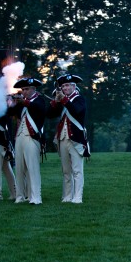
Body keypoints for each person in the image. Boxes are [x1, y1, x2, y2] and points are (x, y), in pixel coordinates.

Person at [47, 74, 90, 204]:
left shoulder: (79, 99)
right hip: (62, 138)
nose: (65, 88)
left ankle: (77, 197)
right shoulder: (61, 101)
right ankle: (67, 196)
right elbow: (48, 114)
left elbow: (77, 111)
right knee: (66, 170)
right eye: (63, 86)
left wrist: (64, 100)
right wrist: (55, 102)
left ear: (74, 86)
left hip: (76, 138)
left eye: (68, 85)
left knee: (77, 170)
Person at [7, 77, 46, 205]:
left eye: (27, 89)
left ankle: (35, 197)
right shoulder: (21, 102)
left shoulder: (39, 100)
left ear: (34, 89)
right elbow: (10, 113)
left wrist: (23, 102)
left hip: (32, 136)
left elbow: (39, 109)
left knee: (32, 168)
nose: (24, 91)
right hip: (20, 137)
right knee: (19, 168)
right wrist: (10, 103)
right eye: (23, 89)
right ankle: (20, 196)